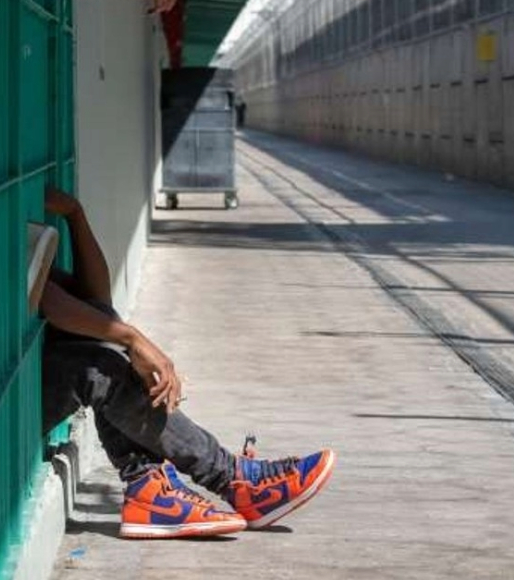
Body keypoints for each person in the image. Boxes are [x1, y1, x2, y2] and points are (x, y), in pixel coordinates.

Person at [36, 187, 337, 539]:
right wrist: (133, 339)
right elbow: (47, 300)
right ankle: (233, 479)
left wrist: (75, 215)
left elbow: (95, 301)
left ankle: (150, 489)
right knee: (99, 366)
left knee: (103, 332)